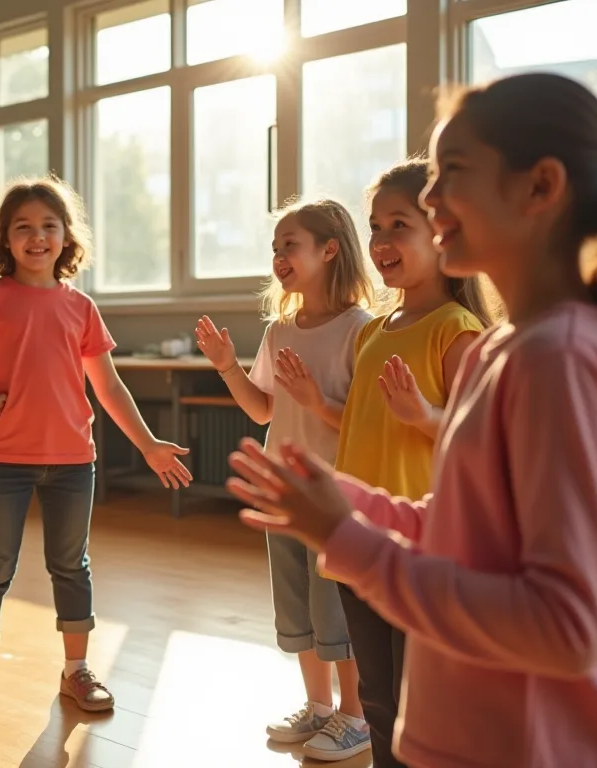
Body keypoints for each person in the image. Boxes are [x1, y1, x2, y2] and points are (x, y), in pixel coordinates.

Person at [227, 72, 597, 768]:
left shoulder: (563, 362)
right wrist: (350, 502)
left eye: (450, 174)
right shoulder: (512, 348)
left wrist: (350, 539)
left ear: (540, 188)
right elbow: (475, 527)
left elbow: (563, 625)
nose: (430, 199)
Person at [0, 176, 193, 734]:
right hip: (2, 461)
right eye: (23, 227)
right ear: (6, 239)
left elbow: (109, 388)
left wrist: (147, 445)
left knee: (72, 567)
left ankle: (77, 670)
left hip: (73, 462)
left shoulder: (81, 307)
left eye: (49, 226)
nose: (37, 237)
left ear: (67, 237)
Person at [280, 156, 494, 768]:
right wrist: (316, 405)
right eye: (375, 226)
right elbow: (358, 427)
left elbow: (484, 442)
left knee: (423, 705)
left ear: (443, 234)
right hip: (362, 543)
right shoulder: (375, 332)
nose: (380, 241)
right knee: (376, 699)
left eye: (399, 225)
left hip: (422, 554)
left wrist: (427, 417)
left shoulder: (457, 330)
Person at [194, 199, 373, 761]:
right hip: (285, 495)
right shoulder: (277, 332)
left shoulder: (360, 330)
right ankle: (318, 707)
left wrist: (318, 403)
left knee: (335, 613)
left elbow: (366, 424)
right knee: (296, 609)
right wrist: (227, 365)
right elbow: (263, 410)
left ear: (329, 249)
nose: (278, 256)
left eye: (289, 245)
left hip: (335, 500)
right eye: (274, 247)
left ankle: (355, 716)